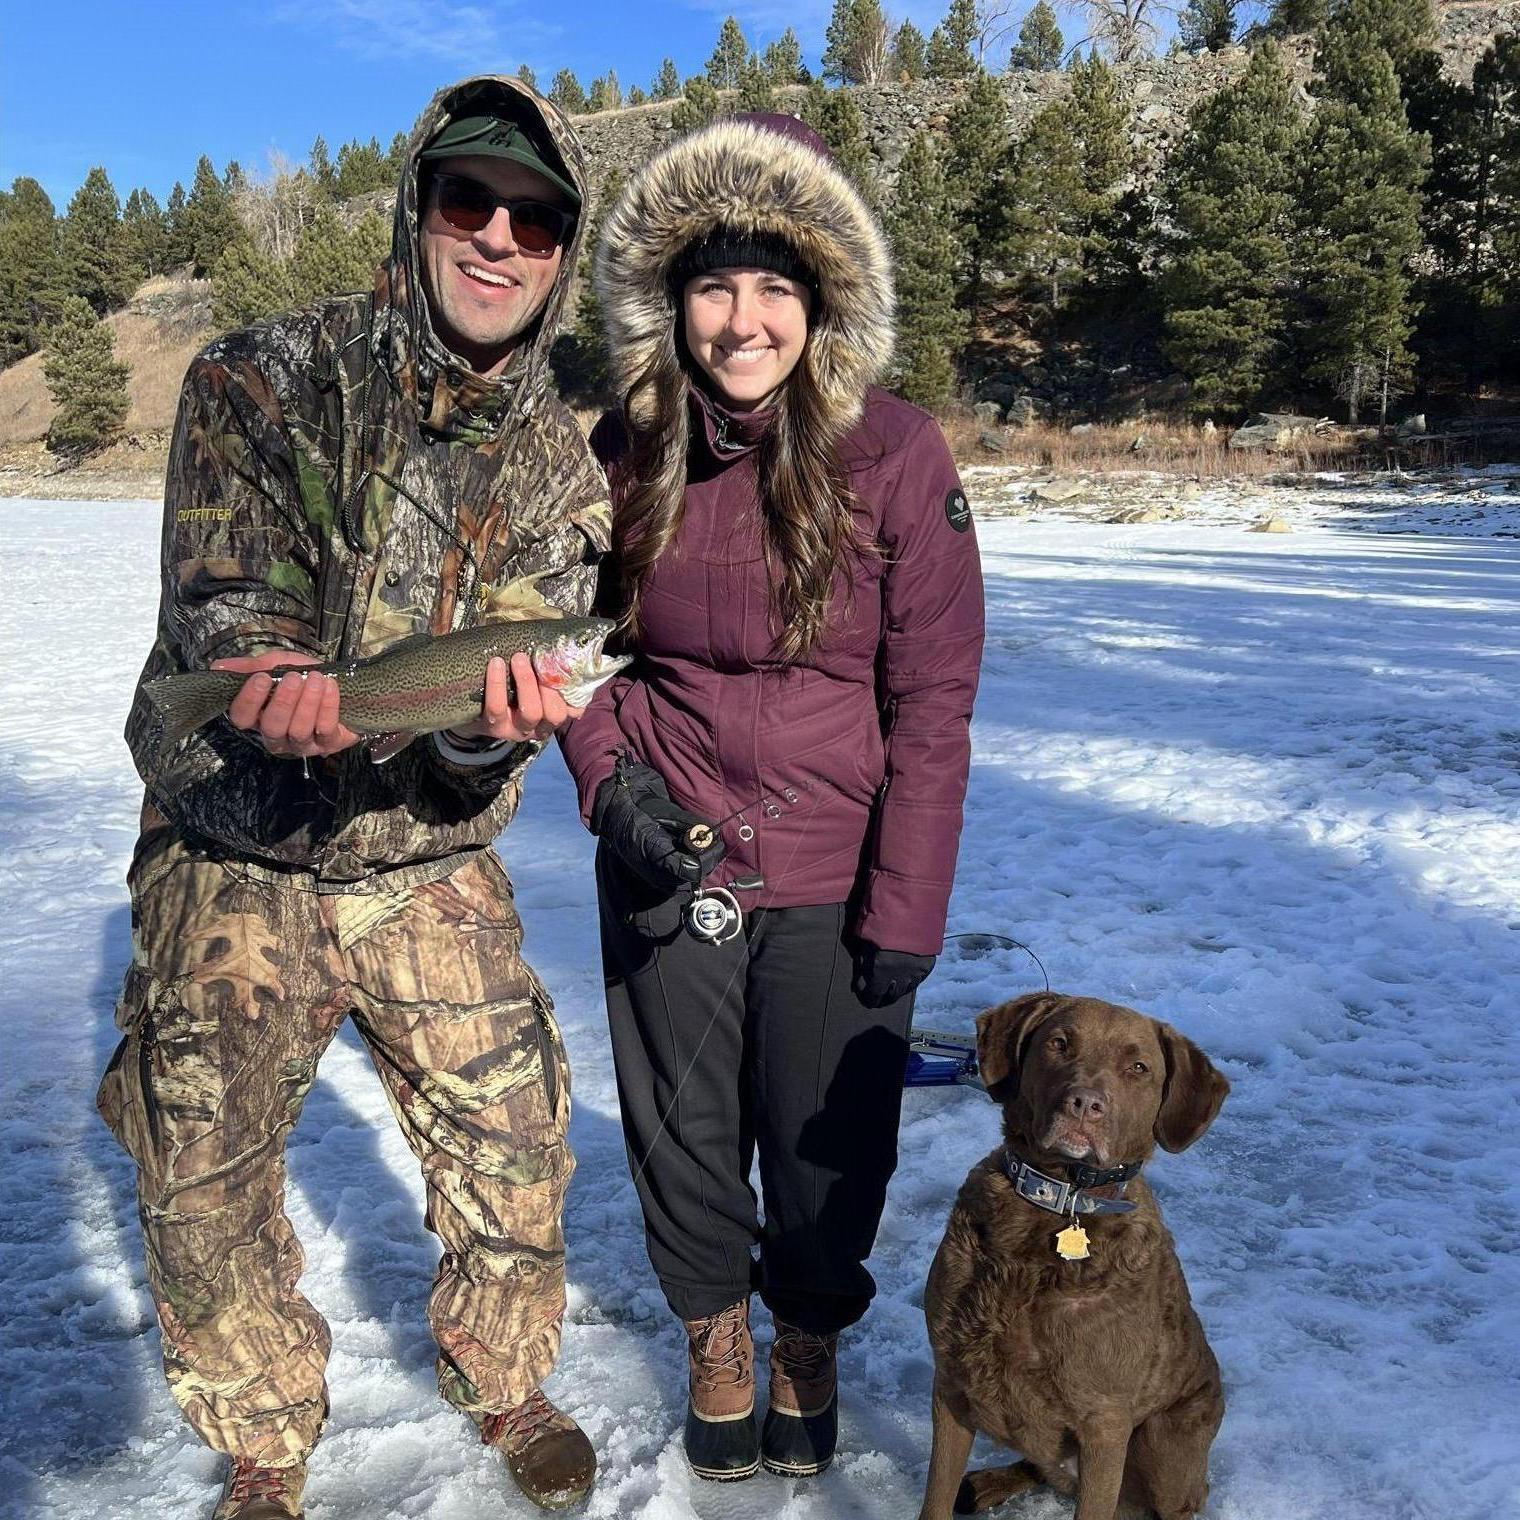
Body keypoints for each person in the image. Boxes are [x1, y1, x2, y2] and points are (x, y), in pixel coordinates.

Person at [98, 77, 610, 1520]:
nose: (501, 237)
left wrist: (481, 745)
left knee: (518, 1141)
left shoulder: (566, 469)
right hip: (236, 836)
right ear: (420, 209)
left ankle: (503, 1378)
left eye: (538, 218)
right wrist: (267, 675)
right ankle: (265, 1438)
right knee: (199, 1172)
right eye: (471, 201)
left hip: (423, 855)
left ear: (565, 249)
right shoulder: (260, 375)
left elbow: (482, 729)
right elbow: (226, 594)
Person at [559, 114, 984, 1483]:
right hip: (670, 851)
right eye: (714, 286)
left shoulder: (901, 456)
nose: (743, 321)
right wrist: (612, 788)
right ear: (670, 303)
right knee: (680, 1135)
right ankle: (716, 1336)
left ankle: (806, 1333)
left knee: (825, 1145)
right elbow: (584, 658)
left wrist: (906, 904)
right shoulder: (622, 453)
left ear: (822, 303)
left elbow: (933, 702)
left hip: (837, 863)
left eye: (774, 287)